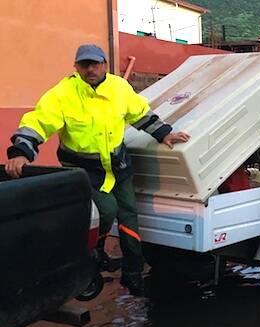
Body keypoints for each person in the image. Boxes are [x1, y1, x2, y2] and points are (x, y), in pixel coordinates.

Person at [4, 44, 190, 295]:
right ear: (76, 67)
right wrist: (21, 152)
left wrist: (164, 134)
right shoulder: (63, 94)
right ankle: (93, 254)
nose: (90, 69)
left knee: (129, 215)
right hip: (83, 168)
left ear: (104, 64)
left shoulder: (119, 88)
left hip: (117, 165)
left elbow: (140, 114)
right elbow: (38, 122)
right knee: (107, 210)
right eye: (84, 64)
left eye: (95, 63)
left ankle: (133, 273)